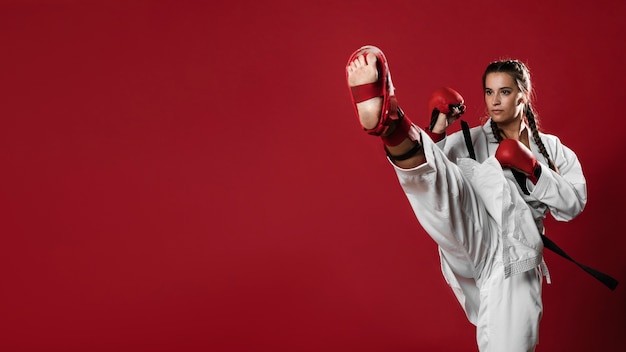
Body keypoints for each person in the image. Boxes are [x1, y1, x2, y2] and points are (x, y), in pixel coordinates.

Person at [345, 45, 587, 351]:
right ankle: (391, 123)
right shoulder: (471, 139)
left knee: (505, 344)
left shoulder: (553, 149)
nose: (494, 100)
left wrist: (535, 169)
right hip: (472, 233)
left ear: (522, 95)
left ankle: (392, 125)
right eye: (489, 92)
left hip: (517, 250)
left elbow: (573, 204)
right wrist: (437, 129)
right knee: (445, 187)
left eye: (504, 92)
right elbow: (439, 173)